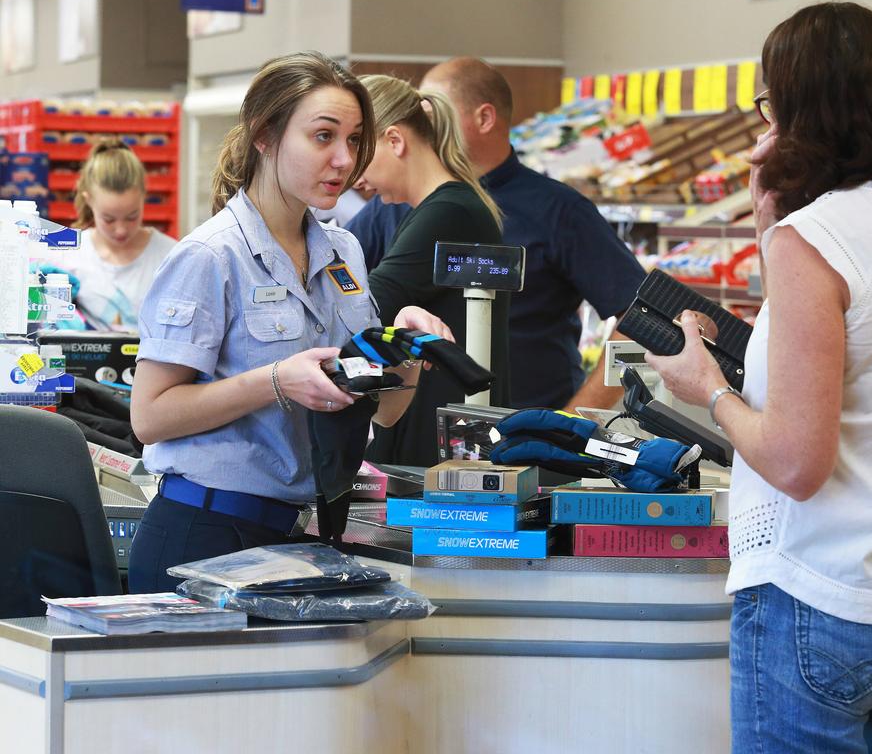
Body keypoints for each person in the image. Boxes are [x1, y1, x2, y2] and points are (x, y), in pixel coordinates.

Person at [646, 3, 872, 753]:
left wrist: (707, 387)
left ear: (801, 110)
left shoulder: (823, 235)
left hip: (819, 597)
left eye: (771, 104)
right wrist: (774, 227)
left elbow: (797, 462)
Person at [128, 52, 451, 594]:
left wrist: (406, 346)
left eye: (353, 140)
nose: (344, 159)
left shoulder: (343, 251)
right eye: (323, 137)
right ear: (265, 135)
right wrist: (277, 381)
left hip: (300, 538)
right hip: (201, 538)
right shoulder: (210, 257)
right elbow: (151, 418)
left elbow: (387, 412)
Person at [346, 58, 646, 411]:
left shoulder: (556, 209)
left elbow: (640, 317)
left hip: (527, 428)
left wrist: (575, 418)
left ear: (484, 118)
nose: (423, 120)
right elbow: (344, 292)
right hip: (421, 424)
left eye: (432, 109)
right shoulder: (391, 204)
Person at [357, 74, 510, 467]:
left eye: (358, 146)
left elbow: (370, 302)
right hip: (435, 424)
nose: (354, 172)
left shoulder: (450, 210)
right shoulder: (434, 207)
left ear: (395, 141)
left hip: (437, 435)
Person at [57, 139, 177, 331]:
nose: (120, 230)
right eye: (109, 219)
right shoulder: (71, 254)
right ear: (89, 201)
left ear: (144, 196)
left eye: (132, 217)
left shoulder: (170, 255)